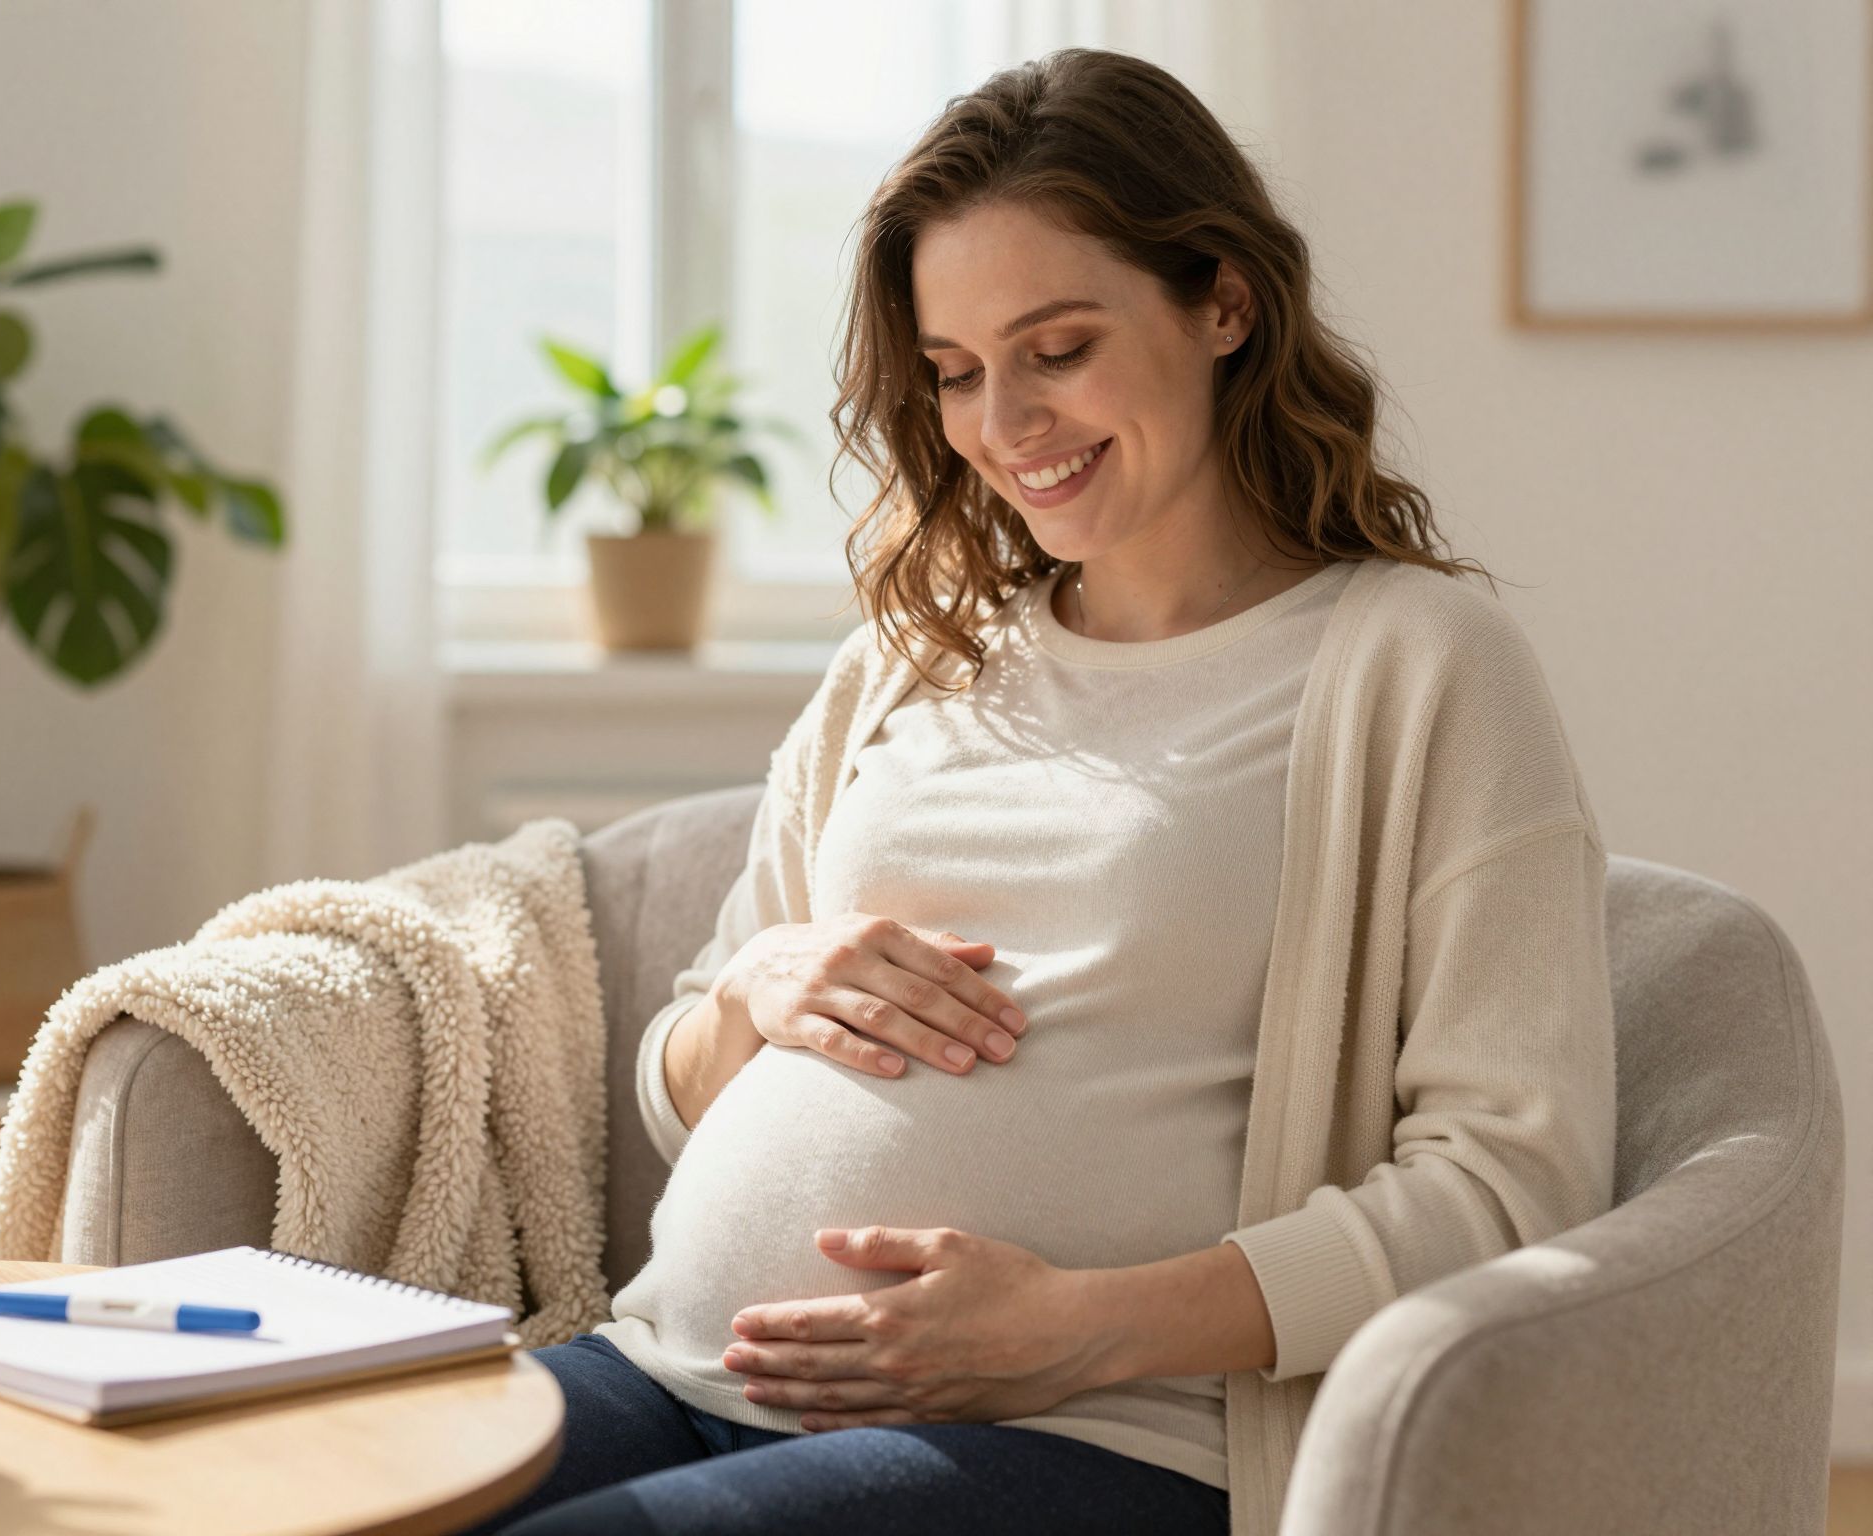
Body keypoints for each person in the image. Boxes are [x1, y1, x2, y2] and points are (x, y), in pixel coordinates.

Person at [459, 44, 1614, 1536]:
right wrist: (754, 989)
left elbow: (1516, 1180)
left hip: (1100, 1433)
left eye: (1056, 347)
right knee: (302, 1500)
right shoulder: (915, 645)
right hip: (669, 1362)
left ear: (1223, 301)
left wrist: (1088, 1324)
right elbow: (679, 1090)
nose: (1003, 425)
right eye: (953, 373)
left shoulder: (1413, 663)